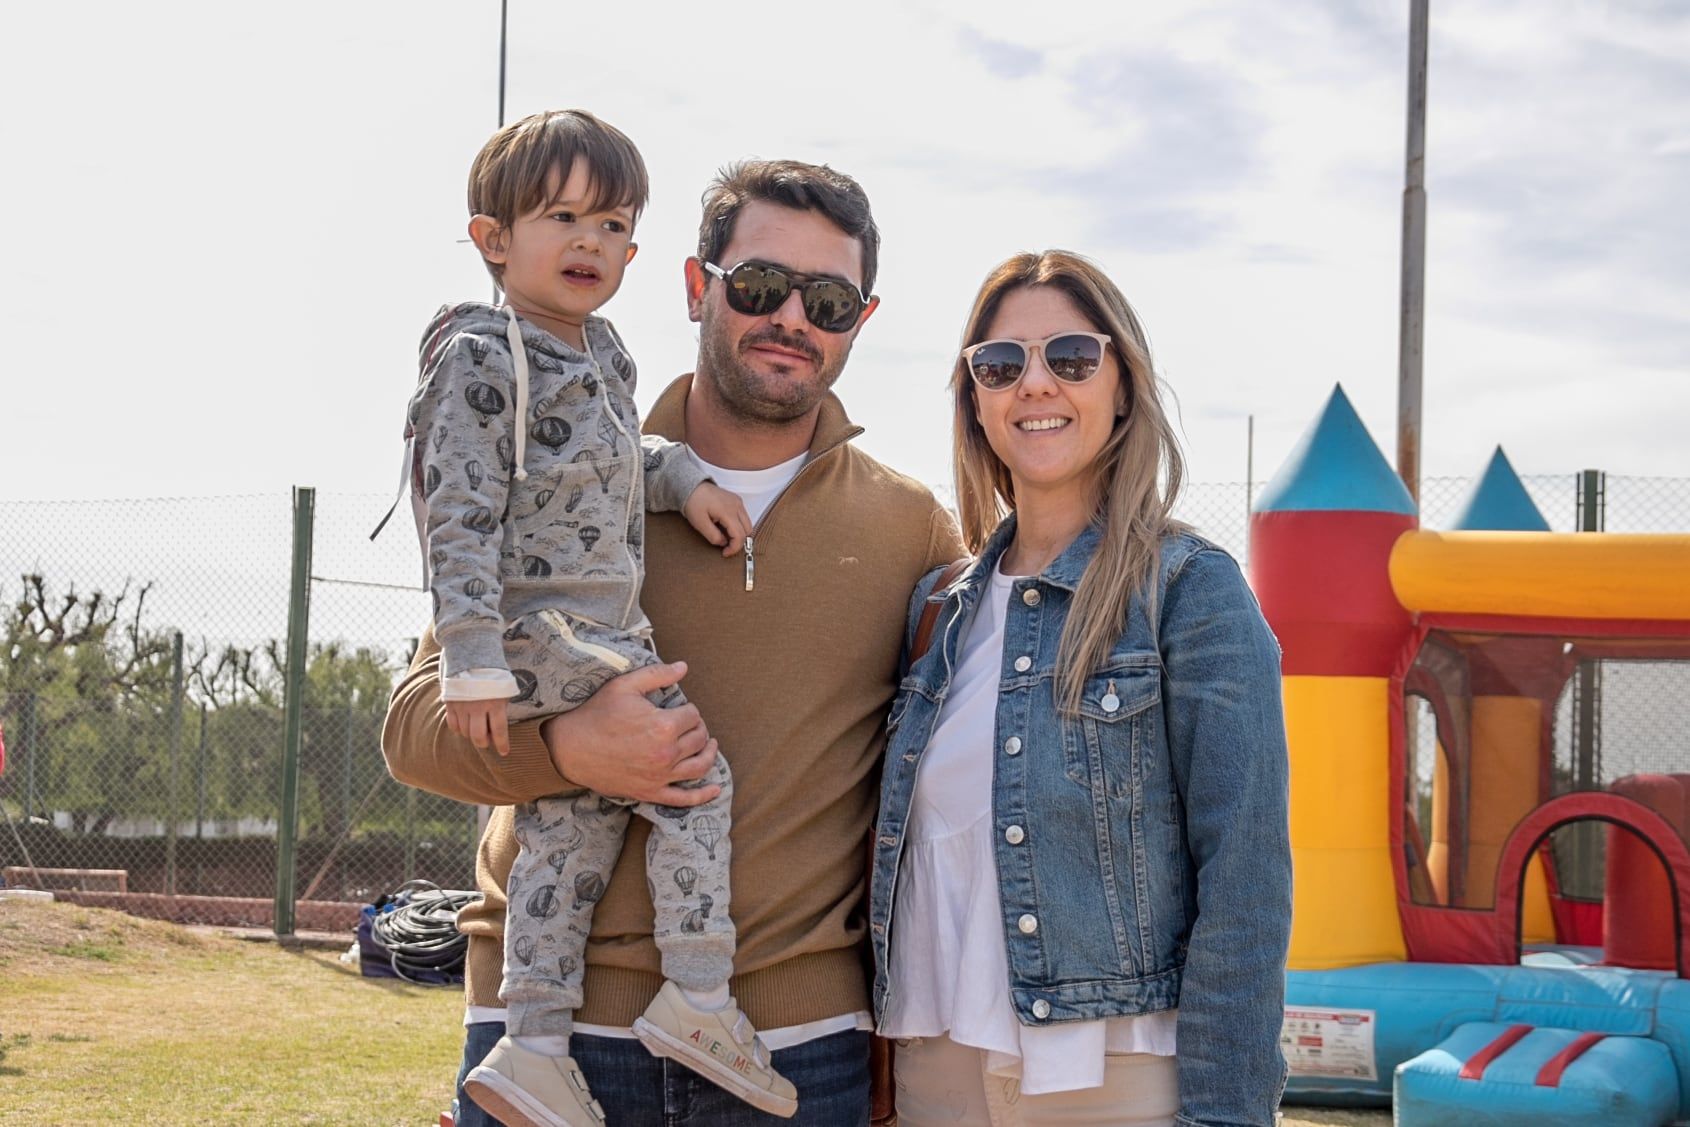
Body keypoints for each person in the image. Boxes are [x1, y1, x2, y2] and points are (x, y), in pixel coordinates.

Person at [384, 157, 965, 1126]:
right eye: (759, 286)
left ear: (860, 320)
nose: (791, 318)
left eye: (827, 299)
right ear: (697, 285)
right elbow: (413, 730)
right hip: (545, 1046)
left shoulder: (911, 526)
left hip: (792, 1051)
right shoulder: (566, 455)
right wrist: (567, 749)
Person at [397, 110, 813, 1125]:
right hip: (547, 635)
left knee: (566, 841)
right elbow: (453, 504)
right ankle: (702, 996)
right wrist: (470, 655)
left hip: (583, 638)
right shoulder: (481, 353)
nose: (589, 240)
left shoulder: (608, 351)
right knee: (691, 777)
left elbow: (616, 458)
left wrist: (682, 479)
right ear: (493, 238)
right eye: (562, 215)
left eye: (612, 222)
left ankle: (533, 1042)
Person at [869, 251, 1291, 1127]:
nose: (1035, 384)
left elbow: (1245, 880)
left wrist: (1226, 1114)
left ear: (1123, 386)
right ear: (975, 400)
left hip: (1117, 1078)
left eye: (1070, 357)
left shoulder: (1189, 591)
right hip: (934, 1073)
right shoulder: (936, 613)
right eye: (1000, 364)